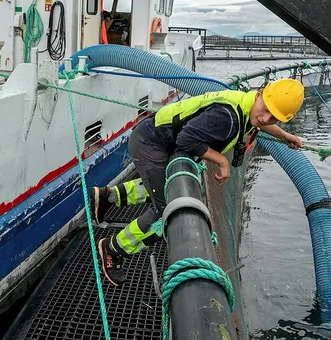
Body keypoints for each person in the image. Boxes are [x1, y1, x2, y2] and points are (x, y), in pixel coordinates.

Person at [89, 78, 305, 286]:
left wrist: (284, 136)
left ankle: (107, 197)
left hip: (153, 134)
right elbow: (186, 140)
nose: (266, 119)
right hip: (150, 143)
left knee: (162, 185)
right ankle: (113, 248)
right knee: (165, 210)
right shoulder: (227, 117)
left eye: (274, 117)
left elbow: (259, 122)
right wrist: (222, 161)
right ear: (259, 94)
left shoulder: (246, 104)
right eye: (266, 109)